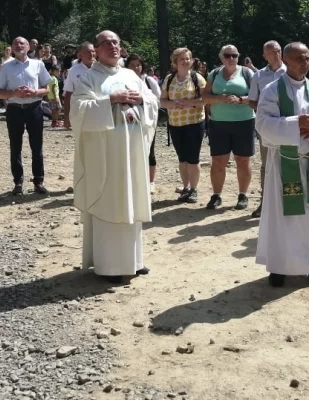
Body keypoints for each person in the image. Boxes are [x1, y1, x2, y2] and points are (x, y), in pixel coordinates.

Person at [71, 30, 158, 284]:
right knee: (111, 200)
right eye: (107, 43)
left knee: (132, 199)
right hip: (106, 153)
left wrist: (141, 99)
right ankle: (110, 266)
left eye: (116, 42)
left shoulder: (131, 75)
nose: (113, 46)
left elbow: (153, 100)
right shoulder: (88, 78)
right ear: (96, 50)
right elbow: (78, 112)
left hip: (132, 149)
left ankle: (134, 261)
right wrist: (111, 99)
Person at [255, 42, 309, 288]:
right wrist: (295, 124)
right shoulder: (272, 90)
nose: (305, 63)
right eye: (299, 59)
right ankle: (281, 266)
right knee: (284, 216)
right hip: (284, 163)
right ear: (287, 60)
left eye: (308, 58)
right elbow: (263, 124)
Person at [0, 37, 52, 195]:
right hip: (14, 109)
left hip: (34, 108)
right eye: (16, 43)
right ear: (12, 48)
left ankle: (38, 181)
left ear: (28, 47)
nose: (19, 45)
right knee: (15, 146)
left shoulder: (38, 64)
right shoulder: (6, 67)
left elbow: (46, 89)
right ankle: (18, 182)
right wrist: (14, 93)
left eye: (22, 43)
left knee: (37, 146)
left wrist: (34, 92)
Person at [201, 45, 255, 211]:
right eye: (227, 55)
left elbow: (256, 97)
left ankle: (242, 195)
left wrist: (240, 100)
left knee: (243, 160)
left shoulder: (247, 73)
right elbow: (205, 96)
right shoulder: (214, 74)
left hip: (244, 122)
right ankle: (216, 195)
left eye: (234, 55)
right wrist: (219, 99)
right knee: (218, 161)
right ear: (221, 57)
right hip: (219, 123)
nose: (231, 58)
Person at [160, 48, 207, 203]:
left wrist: (189, 103)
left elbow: (205, 99)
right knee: (182, 159)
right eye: (182, 59)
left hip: (194, 123)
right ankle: (185, 188)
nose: (186, 62)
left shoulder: (197, 78)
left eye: (188, 59)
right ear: (175, 62)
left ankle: (194, 189)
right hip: (175, 124)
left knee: (193, 159)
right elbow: (162, 101)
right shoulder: (169, 79)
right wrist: (172, 104)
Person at [247, 40, 287, 219]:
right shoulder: (259, 76)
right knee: (267, 164)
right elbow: (252, 100)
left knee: (289, 161)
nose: (276, 54)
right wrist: (264, 111)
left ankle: (288, 201)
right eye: (272, 52)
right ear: (265, 56)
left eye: (278, 50)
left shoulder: (290, 72)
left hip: (288, 124)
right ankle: (265, 202)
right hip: (268, 127)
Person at [126, 54, 162, 193]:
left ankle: (151, 181)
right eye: (132, 65)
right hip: (128, 123)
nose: (136, 68)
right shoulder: (122, 80)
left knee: (149, 151)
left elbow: (158, 100)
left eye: (138, 65)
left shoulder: (149, 81)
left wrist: (142, 100)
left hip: (147, 122)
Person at [62, 42, 95, 129]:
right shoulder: (73, 71)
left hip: (99, 109)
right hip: (81, 111)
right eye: (88, 52)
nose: (91, 54)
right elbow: (68, 94)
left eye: (93, 51)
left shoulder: (101, 69)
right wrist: (66, 117)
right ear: (80, 55)